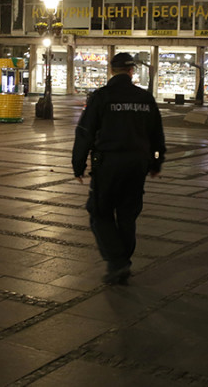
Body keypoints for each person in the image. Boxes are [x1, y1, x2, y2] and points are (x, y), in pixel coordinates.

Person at [72, 52, 166, 285]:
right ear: (131, 71)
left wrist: (78, 164)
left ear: (111, 70)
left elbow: (84, 133)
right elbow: (157, 136)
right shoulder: (145, 98)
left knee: (99, 212)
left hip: (108, 165)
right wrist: (156, 162)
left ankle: (117, 261)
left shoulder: (101, 97)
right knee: (127, 214)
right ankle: (123, 259)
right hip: (137, 165)